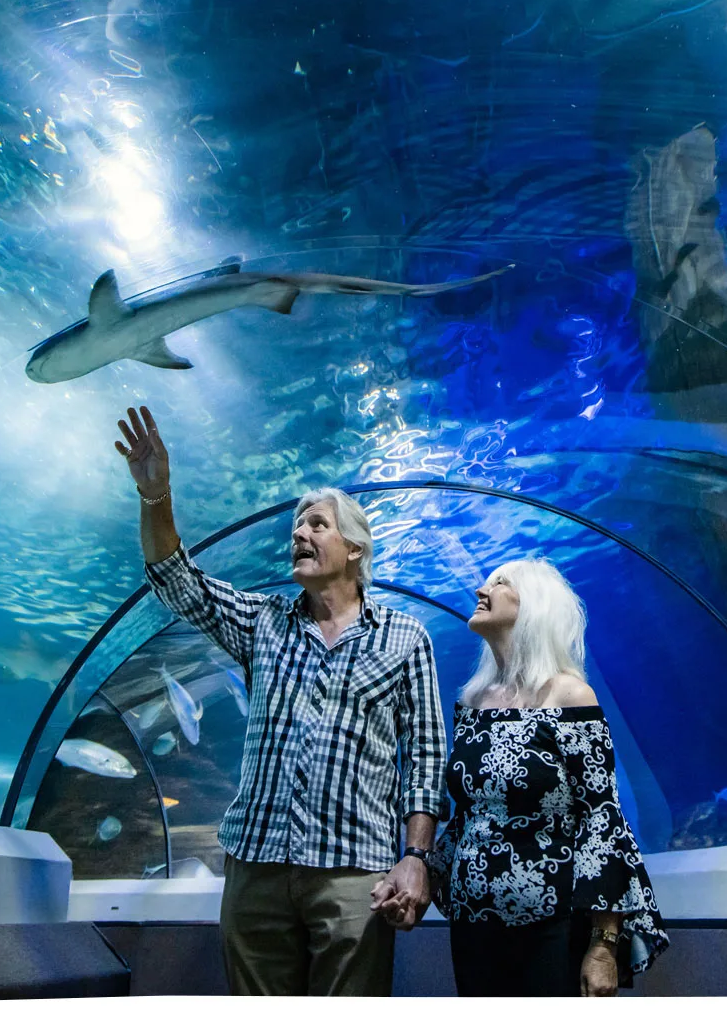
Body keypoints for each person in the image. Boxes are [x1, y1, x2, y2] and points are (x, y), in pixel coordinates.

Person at [113, 405, 447, 997]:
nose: (298, 533)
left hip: (354, 872)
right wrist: (155, 496)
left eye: (316, 524)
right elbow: (174, 578)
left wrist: (416, 857)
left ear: (354, 549)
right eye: (296, 526)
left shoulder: (406, 637)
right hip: (257, 865)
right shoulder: (264, 622)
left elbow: (425, 759)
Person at [374, 558, 669, 996]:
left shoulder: (569, 694)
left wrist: (604, 944)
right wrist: (417, 883)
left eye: (499, 582)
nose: (482, 587)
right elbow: (468, 820)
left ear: (534, 604)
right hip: (474, 926)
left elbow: (601, 819)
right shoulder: (473, 702)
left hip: (554, 924)